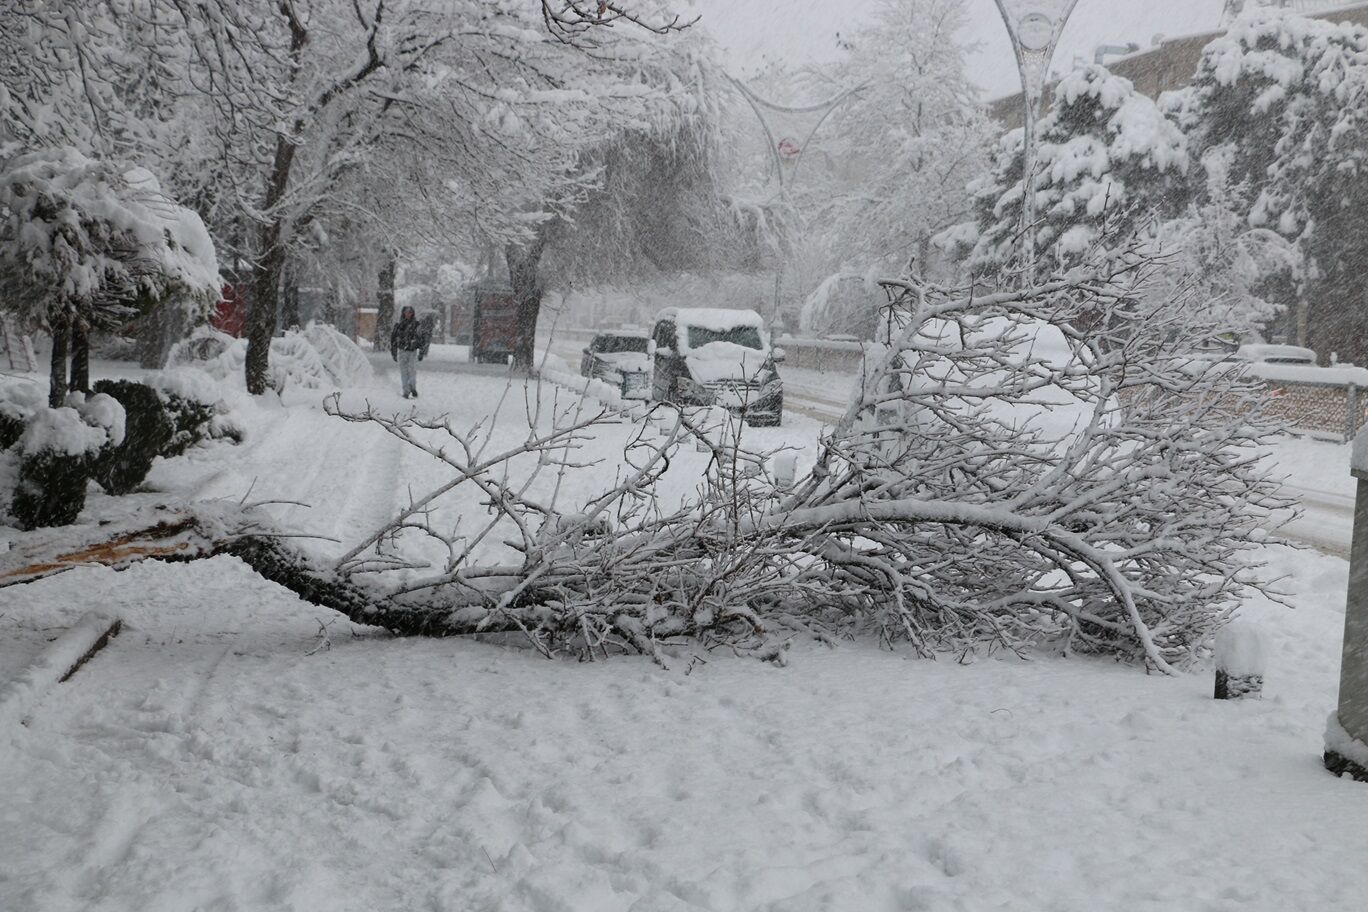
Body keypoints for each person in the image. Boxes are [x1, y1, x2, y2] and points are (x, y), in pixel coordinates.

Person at [390, 305, 424, 398]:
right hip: (402, 351)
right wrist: (393, 352)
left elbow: (421, 338)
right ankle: (406, 390)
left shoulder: (417, 325)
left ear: (413, 313)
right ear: (403, 313)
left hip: (412, 351)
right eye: (406, 312)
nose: (408, 314)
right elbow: (393, 339)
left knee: (412, 370)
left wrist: (421, 352)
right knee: (403, 371)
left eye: (410, 312)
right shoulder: (399, 325)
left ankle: (413, 387)